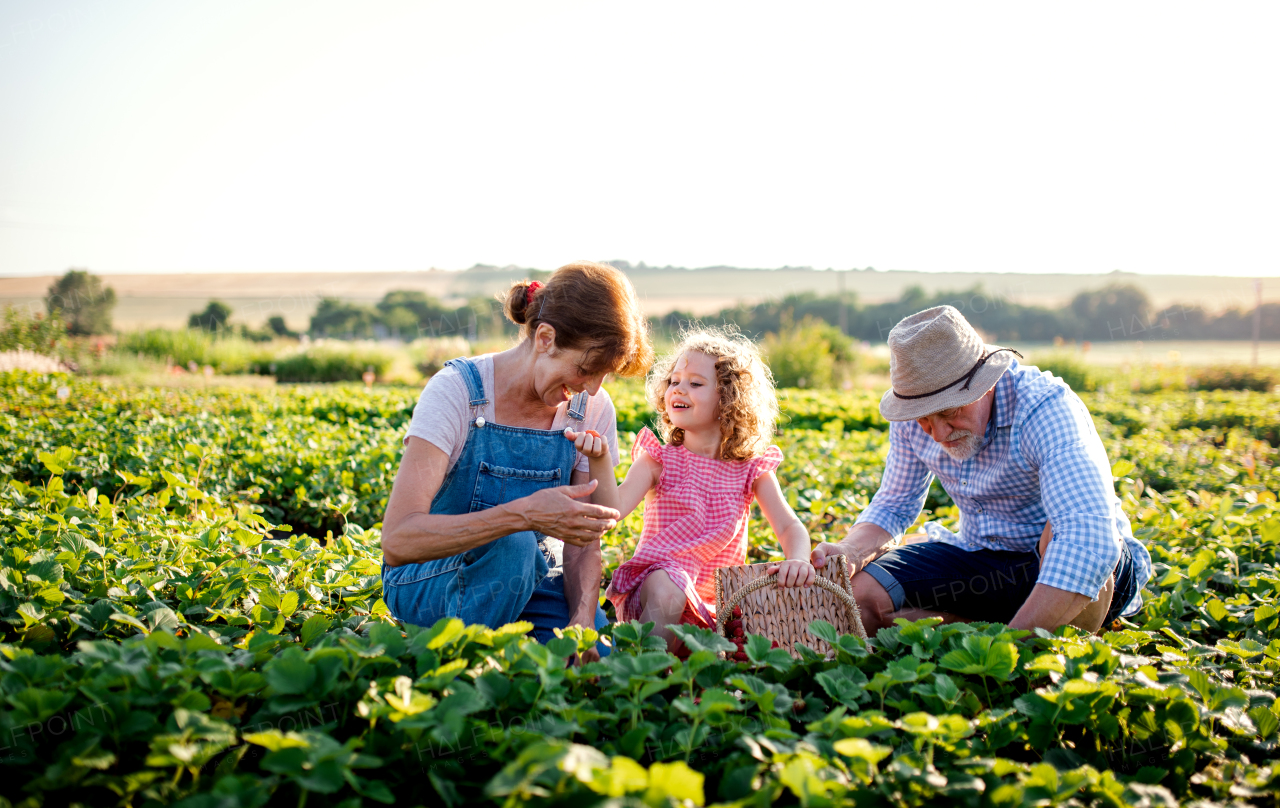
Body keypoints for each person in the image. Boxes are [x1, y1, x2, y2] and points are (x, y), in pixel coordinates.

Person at [811, 305, 1152, 634]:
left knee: (1058, 532)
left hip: (1069, 562)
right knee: (861, 599)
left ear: (985, 382)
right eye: (925, 418)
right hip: (982, 558)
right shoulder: (911, 413)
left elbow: (1087, 537)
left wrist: (1010, 647)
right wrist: (850, 551)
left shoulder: (1045, 408)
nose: (939, 433)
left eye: (949, 412)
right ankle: (994, 628)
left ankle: (1023, 636)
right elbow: (894, 504)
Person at [379, 261, 654, 661]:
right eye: (585, 369)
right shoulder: (457, 393)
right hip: (431, 577)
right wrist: (522, 516)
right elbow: (399, 541)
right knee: (514, 548)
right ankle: (461, 673)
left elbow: (582, 540)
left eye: (604, 376)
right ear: (545, 337)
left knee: (593, 664)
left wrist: (581, 619)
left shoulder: (590, 408)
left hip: (537, 579)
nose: (592, 388)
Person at [571, 330, 814, 653]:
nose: (678, 389)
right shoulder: (658, 460)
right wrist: (599, 459)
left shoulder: (751, 470)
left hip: (714, 604)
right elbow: (611, 510)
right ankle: (638, 674)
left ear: (729, 398)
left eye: (695, 383)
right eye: (673, 381)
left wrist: (797, 559)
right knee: (669, 587)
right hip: (658, 585)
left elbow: (788, 526)